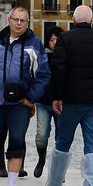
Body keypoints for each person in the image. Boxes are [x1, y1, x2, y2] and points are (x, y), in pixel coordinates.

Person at [0, 7, 49, 186]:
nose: (18, 23)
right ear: (8, 20)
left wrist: (31, 98)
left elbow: (43, 75)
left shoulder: (35, 45)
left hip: (19, 104)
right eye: (15, 19)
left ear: (27, 23)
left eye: (22, 21)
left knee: (17, 143)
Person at [44, 6, 93, 186]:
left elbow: (59, 70)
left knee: (63, 141)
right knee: (92, 142)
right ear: (92, 21)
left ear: (73, 20)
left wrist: (57, 96)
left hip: (71, 100)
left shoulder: (66, 39)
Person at [30, 25, 62, 178]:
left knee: (61, 138)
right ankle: (41, 159)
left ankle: (57, 171)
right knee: (41, 135)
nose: (54, 42)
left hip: (62, 104)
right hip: (43, 102)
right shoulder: (42, 57)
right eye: (51, 40)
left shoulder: (67, 58)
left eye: (57, 40)